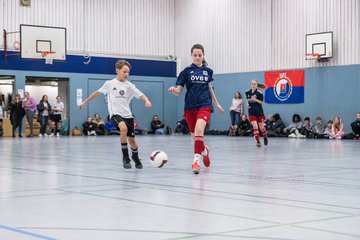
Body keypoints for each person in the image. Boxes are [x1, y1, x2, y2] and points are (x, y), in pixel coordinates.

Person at [79, 59, 151, 169]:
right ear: (117, 70)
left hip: (128, 115)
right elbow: (97, 93)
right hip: (115, 114)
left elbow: (140, 94)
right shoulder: (109, 84)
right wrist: (84, 102)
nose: (126, 74)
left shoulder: (129, 85)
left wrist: (146, 100)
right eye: (124, 71)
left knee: (132, 141)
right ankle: (125, 157)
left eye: (128, 72)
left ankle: (135, 157)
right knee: (123, 128)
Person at [168, 43, 224, 174]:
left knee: (200, 130)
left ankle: (196, 162)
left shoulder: (208, 71)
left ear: (203, 55)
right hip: (189, 107)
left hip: (204, 105)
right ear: (191, 56)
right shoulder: (186, 72)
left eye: (200, 55)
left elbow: (209, 88)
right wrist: (174, 90)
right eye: (195, 55)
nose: (197, 57)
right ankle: (205, 151)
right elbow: (179, 90)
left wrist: (217, 103)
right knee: (196, 138)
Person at [245, 79, 268, 147]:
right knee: (255, 126)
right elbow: (247, 100)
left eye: (255, 84)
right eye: (252, 84)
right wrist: (247, 104)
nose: (253, 85)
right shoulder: (247, 92)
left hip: (259, 111)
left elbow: (261, 102)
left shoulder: (259, 92)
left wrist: (255, 99)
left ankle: (265, 137)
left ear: (257, 85)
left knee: (261, 127)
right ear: (250, 84)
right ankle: (258, 142)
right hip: (251, 112)